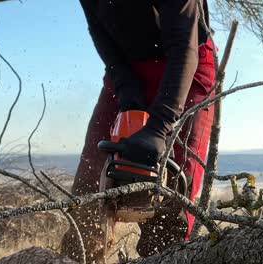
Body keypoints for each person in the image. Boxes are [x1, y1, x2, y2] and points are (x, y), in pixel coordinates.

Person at [61, 0, 216, 262]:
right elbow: (101, 37)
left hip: (184, 63)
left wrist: (159, 127)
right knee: (90, 185)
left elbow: (183, 47)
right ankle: (81, 254)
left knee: (174, 189)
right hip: (127, 69)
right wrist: (128, 93)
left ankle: (165, 253)